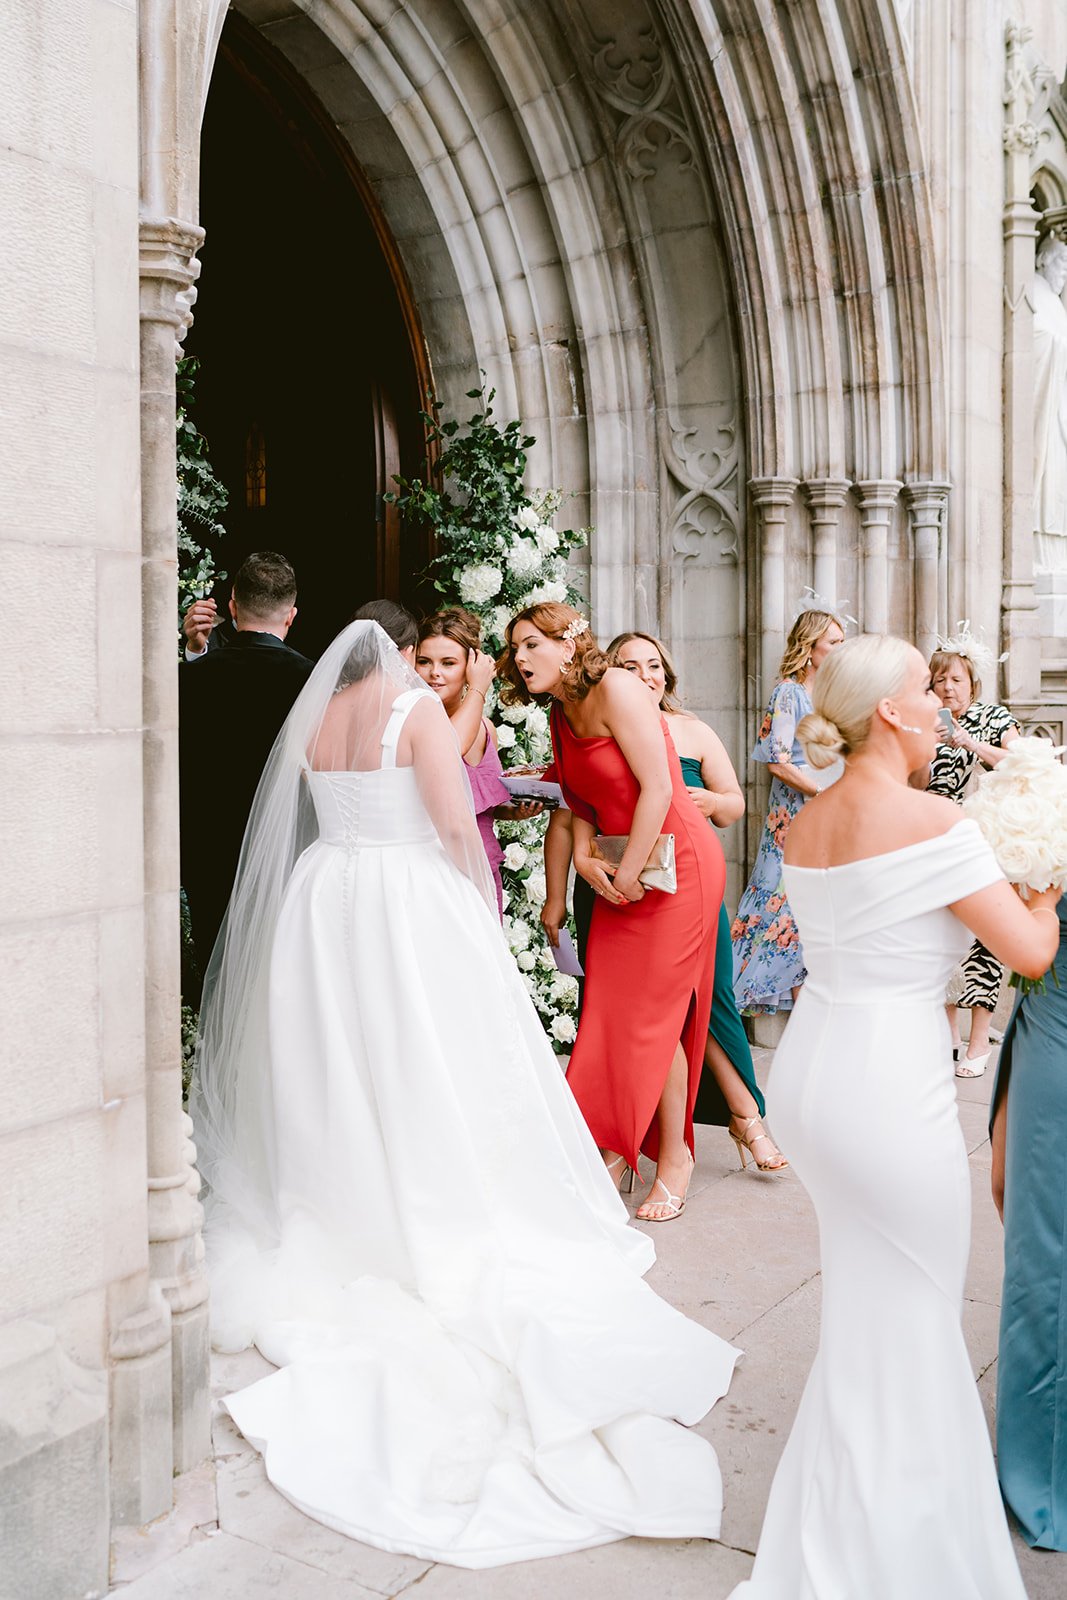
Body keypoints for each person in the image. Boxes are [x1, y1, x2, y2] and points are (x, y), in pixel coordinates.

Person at [190, 620, 740, 1568]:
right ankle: (432, 1189)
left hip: (324, 901)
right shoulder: (415, 709)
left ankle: (345, 1195)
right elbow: (452, 824)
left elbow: (310, 816)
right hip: (403, 899)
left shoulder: (315, 716)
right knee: (427, 1056)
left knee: (338, 1063)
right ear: (402, 654)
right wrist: (472, 909)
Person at [728, 634, 1059, 1600]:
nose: (938, 702)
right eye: (925, 689)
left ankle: (843, 1517)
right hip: (885, 1086)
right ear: (891, 713)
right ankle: (905, 1551)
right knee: (909, 1309)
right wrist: (1048, 865)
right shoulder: (932, 821)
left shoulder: (809, 822)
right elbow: (1029, 952)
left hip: (814, 1074)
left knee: (868, 1305)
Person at [499, 603, 725, 1223]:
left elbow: (659, 787)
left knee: (655, 1017)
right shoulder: (559, 710)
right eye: (514, 649)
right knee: (609, 1014)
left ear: (569, 643)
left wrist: (621, 872)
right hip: (623, 868)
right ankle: (617, 1146)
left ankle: (673, 1157)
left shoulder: (619, 688)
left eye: (530, 645)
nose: (519, 660)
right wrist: (589, 860)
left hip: (678, 868)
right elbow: (579, 800)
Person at [605, 631, 787, 1173]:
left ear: (667, 673)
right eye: (629, 665)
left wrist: (709, 799)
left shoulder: (694, 730)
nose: (645, 675)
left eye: (654, 665)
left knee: (709, 1004)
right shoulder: (605, 730)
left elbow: (734, 804)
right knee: (646, 1013)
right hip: (624, 884)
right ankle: (675, 1129)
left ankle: (746, 1115)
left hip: (687, 881)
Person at [179, 551, 312, 974]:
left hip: (207, 846)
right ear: (291, 616)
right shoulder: (313, 680)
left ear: (232, 608)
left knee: (217, 969)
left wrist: (194, 651)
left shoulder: (192, 676)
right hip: (286, 846)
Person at [991, 892, 1067, 1551]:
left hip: (1053, 1019)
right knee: (1032, 1229)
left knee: (1047, 1253)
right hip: (1045, 1018)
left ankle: (1048, 1473)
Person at [731, 608, 845, 1015]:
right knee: (787, 904)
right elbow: (777, 761)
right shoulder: (788, 693)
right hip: (795, 816)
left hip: (832, 813)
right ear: (810, 647)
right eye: (833, 642)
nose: (839, 649)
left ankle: (817, 1020)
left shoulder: (832, 696)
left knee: (816, 913)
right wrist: (819, 791)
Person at [920, 629, 1020, 1076]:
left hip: (982, 841)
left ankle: (980, 1041)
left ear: (972, 682)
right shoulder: (926, 723)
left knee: (985, 935)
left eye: (956, 680)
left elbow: (1020, 764)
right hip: (934, 839)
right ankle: (946, 1037)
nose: (947, 688)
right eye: (939, 680)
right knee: (938, 934)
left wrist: (968, 742)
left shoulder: (994, 718)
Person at [414, 607, 541, 915]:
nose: (435, 673)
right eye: (424, 661)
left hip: (482, 867)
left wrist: (515, 811)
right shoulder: (414, 728)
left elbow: (481, 806)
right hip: (430, 868)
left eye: (448, 663)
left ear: (471, 666)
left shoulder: (486, 729)